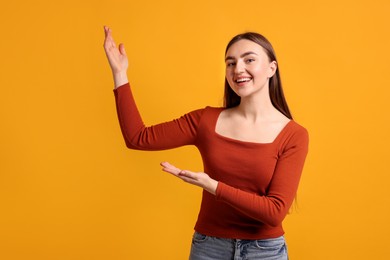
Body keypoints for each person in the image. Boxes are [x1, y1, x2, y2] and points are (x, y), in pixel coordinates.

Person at [103, 26, 309, 260]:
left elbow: (274, 212)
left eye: (249, 59)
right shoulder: (205, 121)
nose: (238, 69)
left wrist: (213, 186)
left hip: (265, 252)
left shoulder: (294, 135)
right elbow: (138, 137)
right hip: (209, 248)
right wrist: (120, 73)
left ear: (272, 68)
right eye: (230, 63)